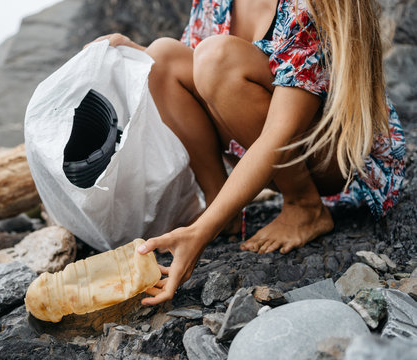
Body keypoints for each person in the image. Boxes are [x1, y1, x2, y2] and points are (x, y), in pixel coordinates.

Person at [88, 0, 405, 306]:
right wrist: (137, 53)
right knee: (162, 55)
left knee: (217, 59)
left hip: (329, 155)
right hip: (260, 146)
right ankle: (221, 205)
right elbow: (190, 65)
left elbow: (277, 132)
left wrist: (198, 234)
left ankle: (304, 206)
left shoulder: (309, 7)